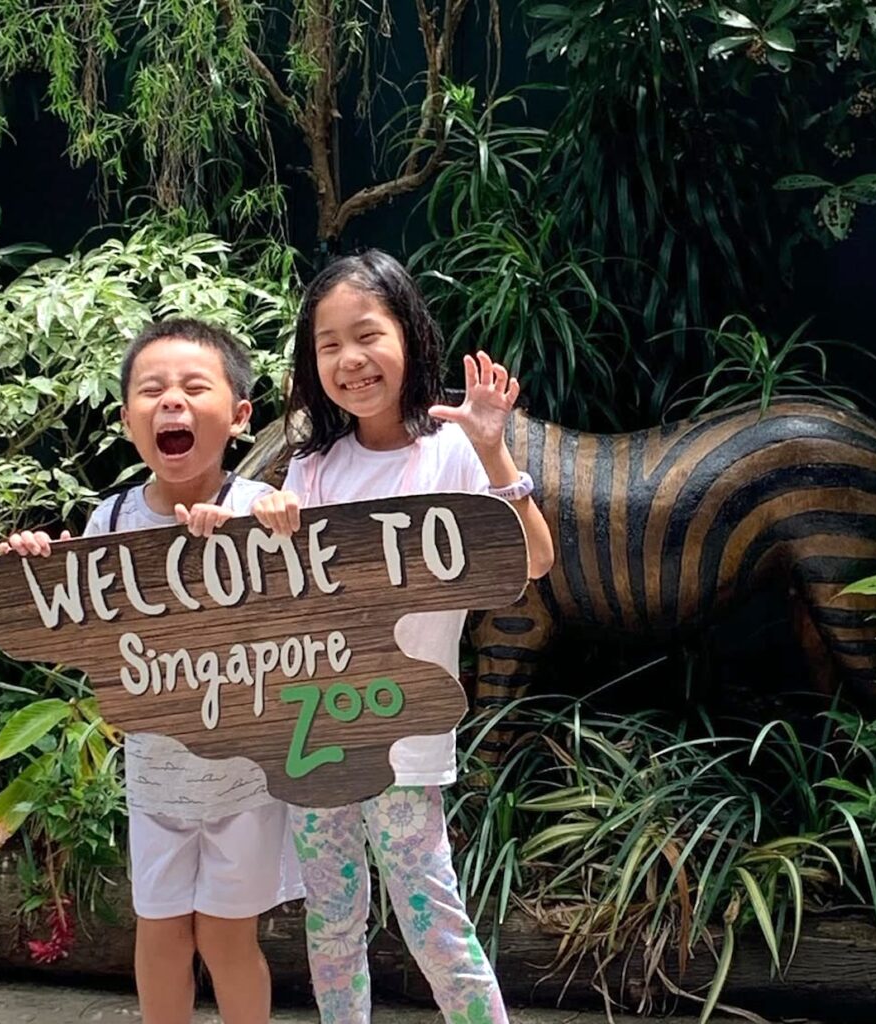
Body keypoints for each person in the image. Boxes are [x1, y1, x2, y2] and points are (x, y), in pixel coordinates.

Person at [251, 249, 554, 1024]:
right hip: (311, 730)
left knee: (432, 916)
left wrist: (493, 451)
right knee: (331, 919)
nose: (350, 360)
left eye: (367, 334)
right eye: (328, 344)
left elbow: (533, 560)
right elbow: (277, 599)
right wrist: (274, 526)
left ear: (410, 338)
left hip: (402, 731)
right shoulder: (313, 468)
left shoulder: (453, 450)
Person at [0, 318, 302, 1024]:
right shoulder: (110, 520)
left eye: (196, 387)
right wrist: (36, 570)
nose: (172, 402)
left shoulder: (258, 507)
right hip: (155, 774)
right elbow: (74, 630)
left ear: (239, 416)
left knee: (228, 937)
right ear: (128, 417)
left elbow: (305, 603)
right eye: (152, 390)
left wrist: (280, 518)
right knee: (160, 932)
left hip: (246, 780)